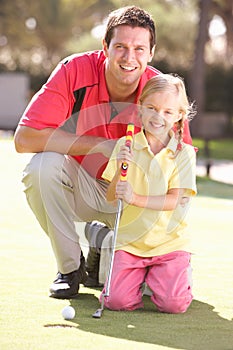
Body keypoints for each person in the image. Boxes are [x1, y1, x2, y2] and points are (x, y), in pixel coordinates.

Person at [14, 6, 192, 299]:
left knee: (154, 294)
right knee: (40, 167)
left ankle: (105, 244)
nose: (128, 57)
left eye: (138, 49)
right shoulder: (74, 70)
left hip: (138, 201)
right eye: (120, 47)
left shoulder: (162, 90)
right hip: (84, 188)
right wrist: (101, 146)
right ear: (105, 47)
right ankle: (71, 268)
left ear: (151, 53)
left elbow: (181, 173)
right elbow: (25, 139)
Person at [100, 73, 197, 314]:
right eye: (152, 108)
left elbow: (174, 200)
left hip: (169, 244)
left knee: (173, 304)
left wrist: (135, 198)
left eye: (167, 111)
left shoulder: (183, 153)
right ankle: (135, 276)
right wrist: (121, 166)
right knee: (116, 302)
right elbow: (111, 196)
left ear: (178, 116)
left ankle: (177, 274)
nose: (158, 117)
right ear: (140, 108)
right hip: (130, 242)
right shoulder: (126, 145)